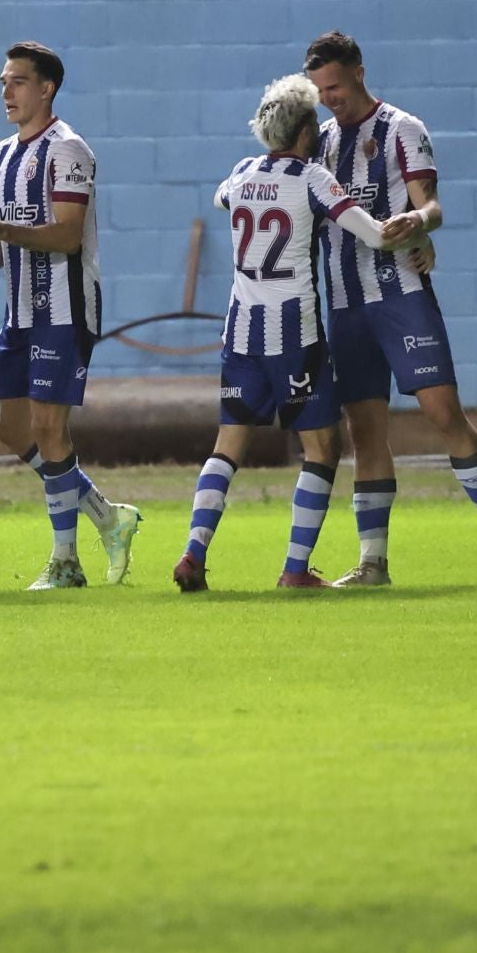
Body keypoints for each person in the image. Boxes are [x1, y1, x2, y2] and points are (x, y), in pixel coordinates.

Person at [304, 31, 477, 587]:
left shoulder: (402, 128)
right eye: (320, 90)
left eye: (334, 87)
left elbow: (431, 205)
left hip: (401, 293)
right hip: (345, 304)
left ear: (359, 72)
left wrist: (419, 223)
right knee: (365, 433)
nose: (328, 99)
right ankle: (373, 563)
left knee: (443, 413)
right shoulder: (321, 141)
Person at [173, 74, 414, 593]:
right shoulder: (312, 178)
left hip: (240, 332)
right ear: (306, 131)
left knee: (227, 445)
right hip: (293, 333)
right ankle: (295, 569)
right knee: (322, 446)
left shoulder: (241, 172)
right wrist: (416, 227)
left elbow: (221, 198)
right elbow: (373, 234)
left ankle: (193, 551)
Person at [0, 41, 141, 590]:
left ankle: (66, 563)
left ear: (47, 88)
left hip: (64, 308)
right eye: (4, 82)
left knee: (50, 427)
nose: (6, 92)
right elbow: (6, 243)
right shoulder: (4, 153)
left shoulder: (68, 149)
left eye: (18, 81)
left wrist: (3, 230)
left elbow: (66, 235)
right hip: (21, 311)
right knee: (10, 429)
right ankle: (107, 516)